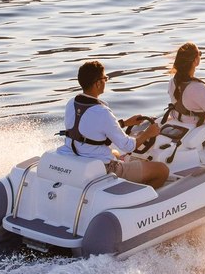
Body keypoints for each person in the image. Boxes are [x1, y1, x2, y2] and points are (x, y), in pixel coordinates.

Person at [60, 60, 168, 188]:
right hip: (104, 169)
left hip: (77, 157)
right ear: (98, 83)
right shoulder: (102, 111)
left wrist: (125, 123)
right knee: (162, 170)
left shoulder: (71, 103)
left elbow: (89, 129)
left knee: (116, 153)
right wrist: (148, 133)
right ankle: (139, 200)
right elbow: (128, 146)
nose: (106, 81)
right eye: (105, 78)